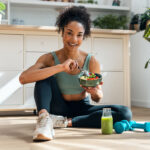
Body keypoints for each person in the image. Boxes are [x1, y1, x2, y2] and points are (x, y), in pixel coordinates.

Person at [19, 6, 132, 141]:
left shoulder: (91, 61)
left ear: (84, 36)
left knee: (125, 113)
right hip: (57, 107)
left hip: (81, 108)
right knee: (43, 75)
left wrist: (94, 92)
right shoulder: (48, 58)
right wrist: (60, 67)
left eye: (79, 35)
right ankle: (44, 120)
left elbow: (98, 97)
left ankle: (66, 122)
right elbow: (24, 78)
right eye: (69, 33)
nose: (74, 39)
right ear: (62, 32)